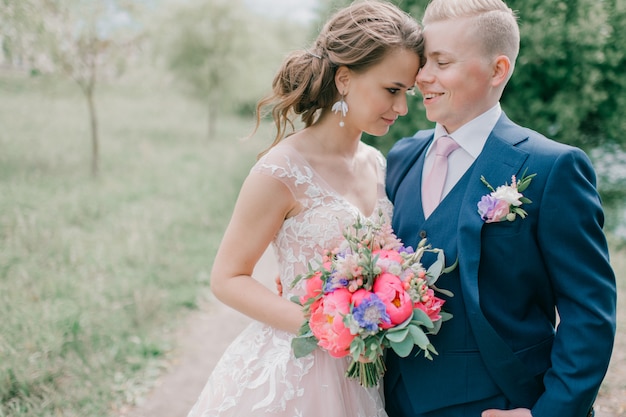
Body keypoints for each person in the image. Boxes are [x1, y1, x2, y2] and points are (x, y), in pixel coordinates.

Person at [186, 2, 423, 416]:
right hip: (295, 371)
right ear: (345, 79)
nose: (401, 108)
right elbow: (227, 277)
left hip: (367, 372)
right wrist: (328, 325)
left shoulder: (380, 164)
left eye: (407, 93)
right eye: (392, 90)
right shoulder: (280, 171)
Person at [383, 1, 617, 417]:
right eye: (423, 62)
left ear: (498, 70)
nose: (421, 77)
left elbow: (589, 313)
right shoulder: (403, 156)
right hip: (395, 402)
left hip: (502, 402)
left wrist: (549, 413)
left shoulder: (552, 167)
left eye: (442, 62)